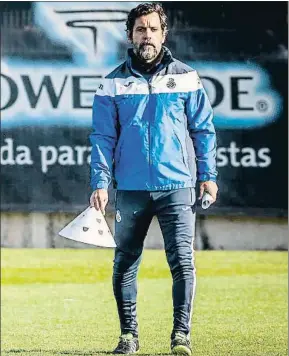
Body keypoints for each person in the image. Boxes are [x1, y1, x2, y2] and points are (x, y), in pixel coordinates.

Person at [89, 3, 218, 355]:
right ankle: (128, 336)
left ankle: (181, 336)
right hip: (130, 189)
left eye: (153, 29)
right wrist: (100, 181)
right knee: (124, 263)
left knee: (183, 262)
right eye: (140, 30)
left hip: (177, 186)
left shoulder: (187, 77)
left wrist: (207, 175)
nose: (147, 36)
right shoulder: (112, 83)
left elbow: (203, 131)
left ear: (164, 34)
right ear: (130, 34)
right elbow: (102, 137)